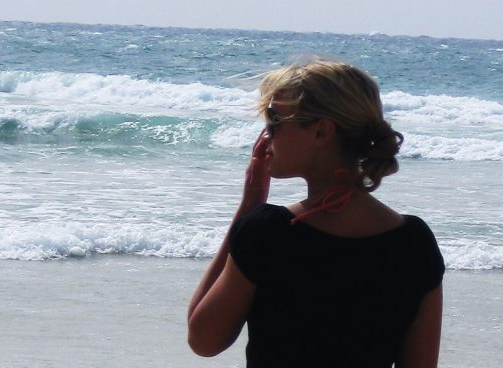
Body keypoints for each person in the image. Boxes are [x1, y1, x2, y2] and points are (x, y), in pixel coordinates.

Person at [187, 59, 444, 367]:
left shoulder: (270, 233)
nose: (267, 137)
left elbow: (202, 340)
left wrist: (250, 205)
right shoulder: (414, 243)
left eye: (276, 123)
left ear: (321, 132)